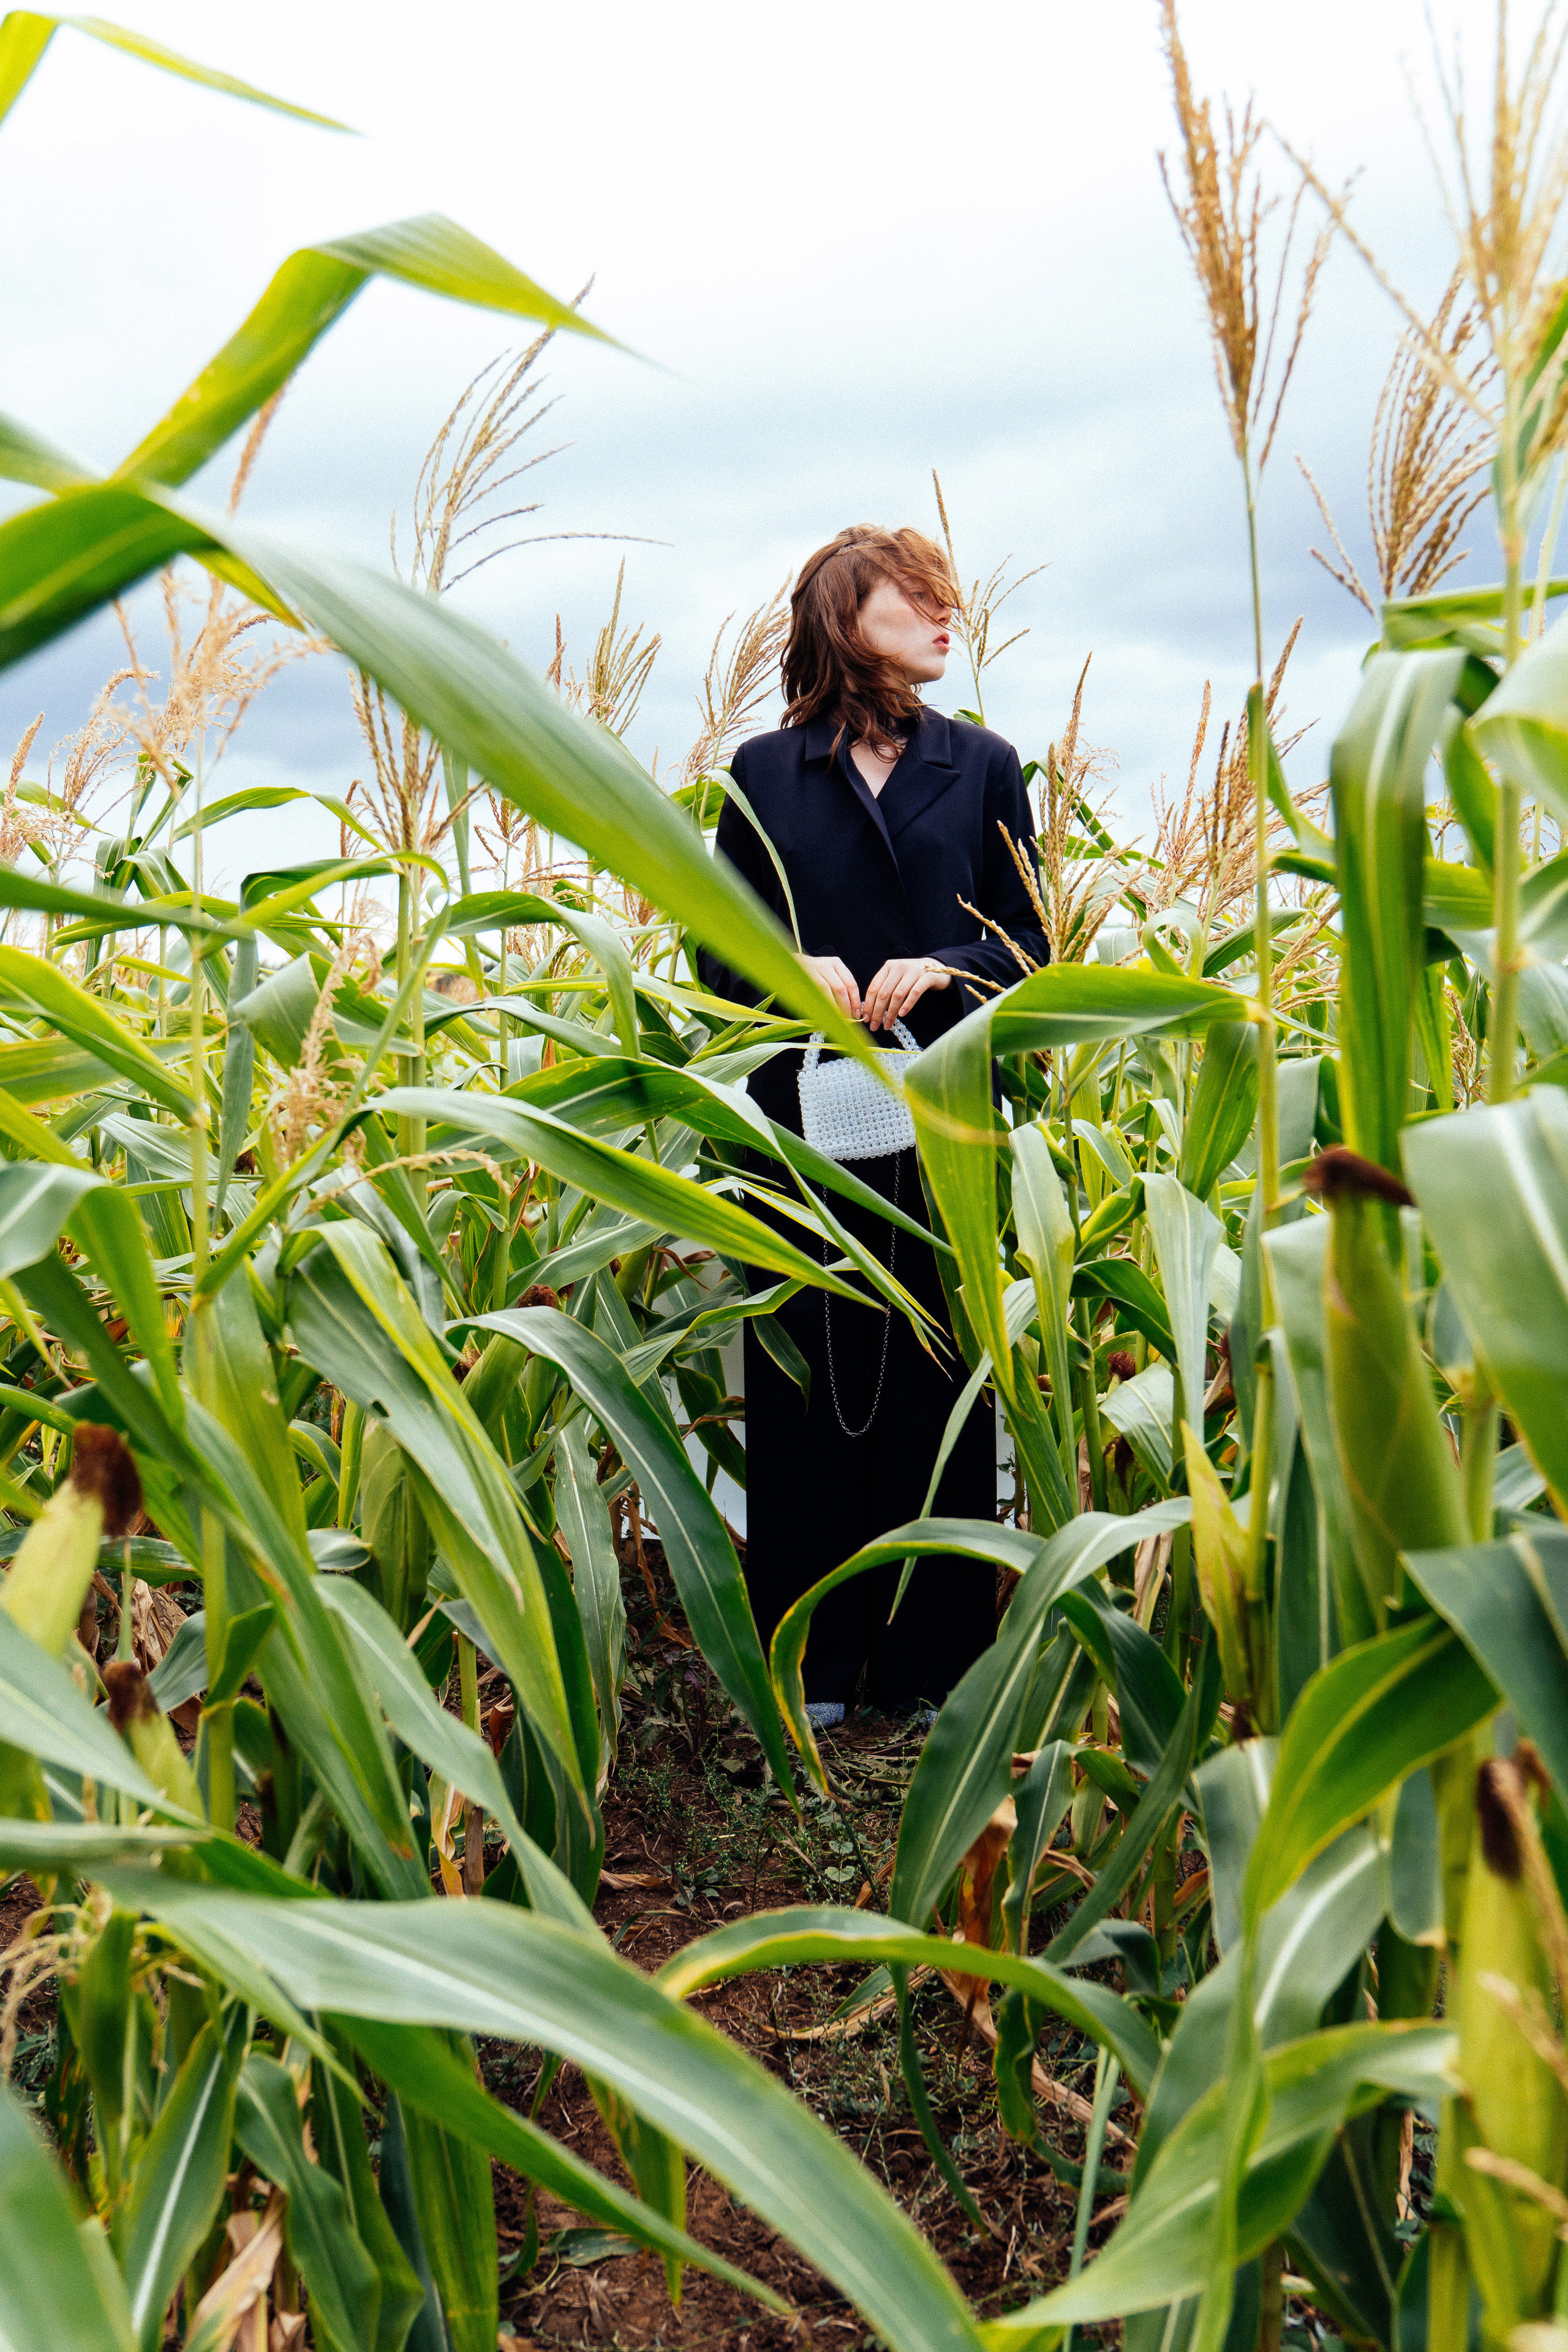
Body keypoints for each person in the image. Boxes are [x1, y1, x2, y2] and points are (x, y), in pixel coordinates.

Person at [698, 524, 1048, 1727]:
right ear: (844, 617)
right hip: (799, 1127)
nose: (946, 620)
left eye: (947, 603)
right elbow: (714, 953)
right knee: (804, 1394)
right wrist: (794, 971)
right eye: (915, 601)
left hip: (941, 1125)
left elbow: (1027, 947)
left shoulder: (987, 765)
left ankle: (933, 1670)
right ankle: (812, 1663)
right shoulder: (760, 770)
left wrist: (936, 967)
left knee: (941, 1393)